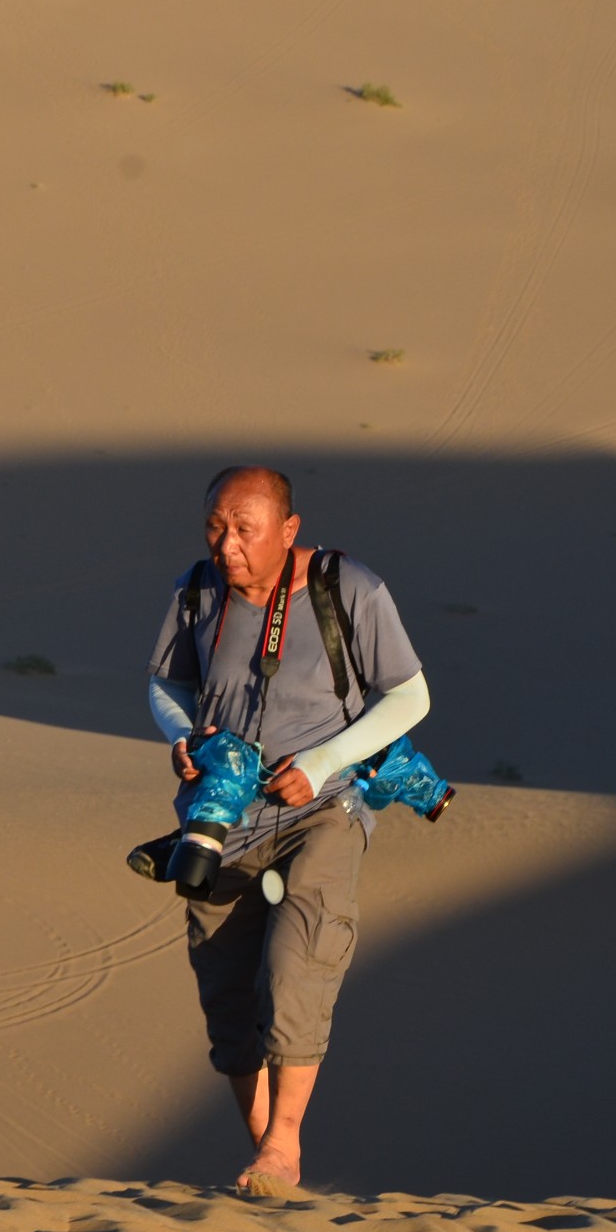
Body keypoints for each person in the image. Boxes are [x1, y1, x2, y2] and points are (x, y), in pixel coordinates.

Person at [145, 465, 432, 1194]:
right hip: (223, 817)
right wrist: (181, 738)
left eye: (246, 528)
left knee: (296, 965)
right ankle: (268, 1164)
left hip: (324, 808)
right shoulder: (198, 591)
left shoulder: (348, 589)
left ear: (289, 530)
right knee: (228, 998)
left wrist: (327, 759)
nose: (227, 543)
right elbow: (165, 683)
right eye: (217, 525)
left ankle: (284, 1144)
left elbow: (410, 695)